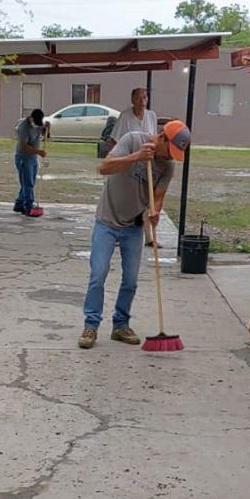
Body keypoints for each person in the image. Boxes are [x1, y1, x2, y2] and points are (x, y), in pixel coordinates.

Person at [78, 120, 191, 349]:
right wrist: (136, 157)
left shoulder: (167, 167)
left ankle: (120, 325)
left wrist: (154, 211)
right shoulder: (132, 140)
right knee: (98, 274)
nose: (171, 158)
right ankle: (91, 325)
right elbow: (104, 168)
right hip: (107, 222)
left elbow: (158, 196)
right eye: (170, 151)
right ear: (161, 137)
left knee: (130, 280)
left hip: (133, 227)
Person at [107, 88, 161, 248]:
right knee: (124, 200)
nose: (142, 101)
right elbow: (115, 141)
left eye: (144, 97)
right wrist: (118, 161)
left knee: (146, 199)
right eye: (139, 98)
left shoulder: (151, 116)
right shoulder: (125, 116)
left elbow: (155, 139)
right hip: (128, 163)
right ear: (132, 100)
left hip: (145, 165)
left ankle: (149, 237)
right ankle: (118, 232)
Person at [13, 109, 47, 217]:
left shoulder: (37, 124)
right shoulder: (24, 127)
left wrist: (47, 129)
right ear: (31, 118)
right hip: (23, 157)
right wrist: (39, 152)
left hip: (33, 157)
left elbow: (44, 133)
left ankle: (19, 204)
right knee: (28, 183)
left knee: (28, 181)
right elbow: (24, 147)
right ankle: (28, 207)